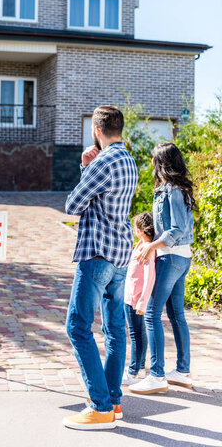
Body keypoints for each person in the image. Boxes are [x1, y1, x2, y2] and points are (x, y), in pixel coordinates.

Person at [62, 105, 138, 431]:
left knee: (77, 327)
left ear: (96, 130)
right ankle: (114, 400)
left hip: (97, 254)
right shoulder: (129, 161)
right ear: (120, 129)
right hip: (121, 254)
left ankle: (100, 406)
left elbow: (72, 205)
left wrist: (84, 167)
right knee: (115, 331)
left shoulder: (102, 162)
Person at [129, 142, 194, 395]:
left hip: (171, 258)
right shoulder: (175, 190)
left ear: (162, 162)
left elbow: (176, 229)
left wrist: (152, 246)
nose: (152, 164)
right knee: (177, 315)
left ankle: (156, 375)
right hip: (182, 257)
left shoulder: (173, 191)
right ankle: (182, 371)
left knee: (152, 314)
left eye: (154, 159)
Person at [122, 211, 156, 386]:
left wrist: (142, 302)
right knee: (139, 334)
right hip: (130, 297)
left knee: (136, 335)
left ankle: (132, 371)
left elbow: (150, 277)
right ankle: (141, 368)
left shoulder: (147, 249)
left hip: (136, 300)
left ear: (141, 230)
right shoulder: (140, 246)